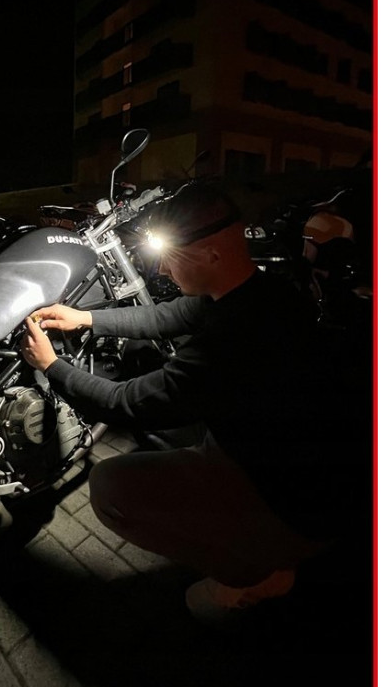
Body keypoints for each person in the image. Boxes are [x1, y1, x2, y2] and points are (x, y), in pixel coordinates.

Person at [21, 181, 357, 624]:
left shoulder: (233, 341)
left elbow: (124, 403)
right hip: (295, 458)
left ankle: (254, 574)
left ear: (212, 255)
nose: (161, 267)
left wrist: (50, 365)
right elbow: (169, 315)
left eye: (171, 256)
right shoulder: (262, 290)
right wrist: (86, 318)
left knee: (111, 487)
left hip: (296, 507)